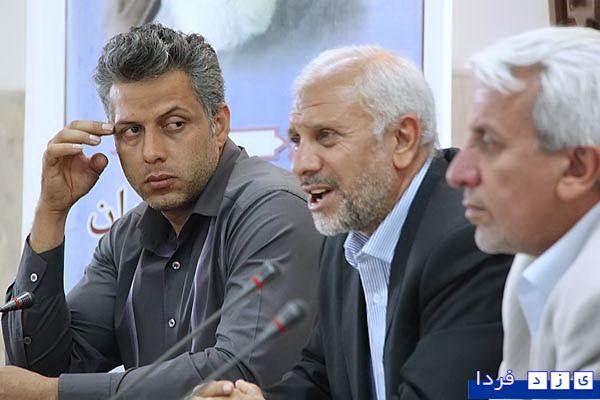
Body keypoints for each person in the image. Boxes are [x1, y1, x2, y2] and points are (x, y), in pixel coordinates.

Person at [0, 23, 322, 399]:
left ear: (218, 125)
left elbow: (240, 372)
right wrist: (51, 212)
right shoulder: (127, 237)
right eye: (131, 131)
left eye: (174, 125)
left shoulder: (273, 208)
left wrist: (54, 393)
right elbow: (40, 368)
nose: (152, 152)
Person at [195, 46, 512, 400]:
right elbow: (321, 377)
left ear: (402, 139)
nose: (300, 165)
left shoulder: (468, 239)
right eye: (297, 140)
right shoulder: (344, 236)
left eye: (326, 136)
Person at [445, 26, 600, 383]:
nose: (457, 173)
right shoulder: (532, 261)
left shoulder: (593, 297)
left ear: (576, 168)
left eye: (488, 143)